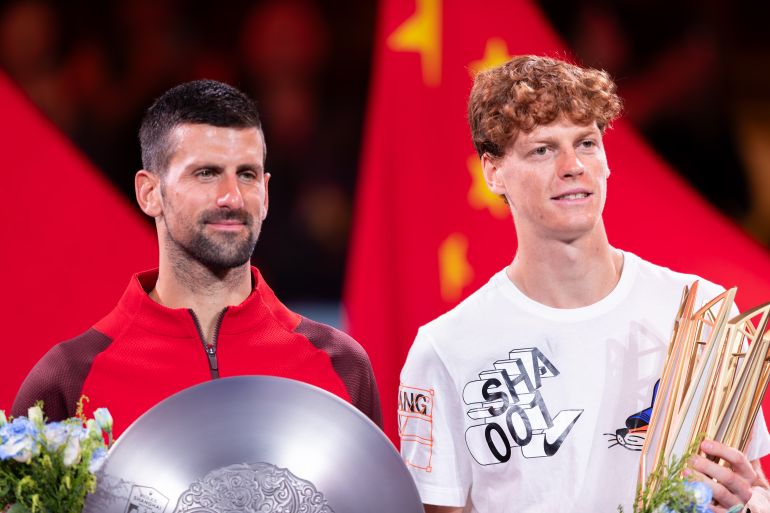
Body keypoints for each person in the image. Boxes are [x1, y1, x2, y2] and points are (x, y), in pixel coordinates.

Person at [398, 55, 770, 512]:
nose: (573, 165)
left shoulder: (706, 314)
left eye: (587, 143)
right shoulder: (447, 349)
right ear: (493, 172)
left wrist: (748, 502)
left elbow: (751, 489)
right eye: (543, 149)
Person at [12, 79, 381, 436]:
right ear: (149, 192)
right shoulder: (68, 379)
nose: (232, 197)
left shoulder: (340, 365)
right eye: (206, 174)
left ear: (266, 194)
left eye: (247, 175)